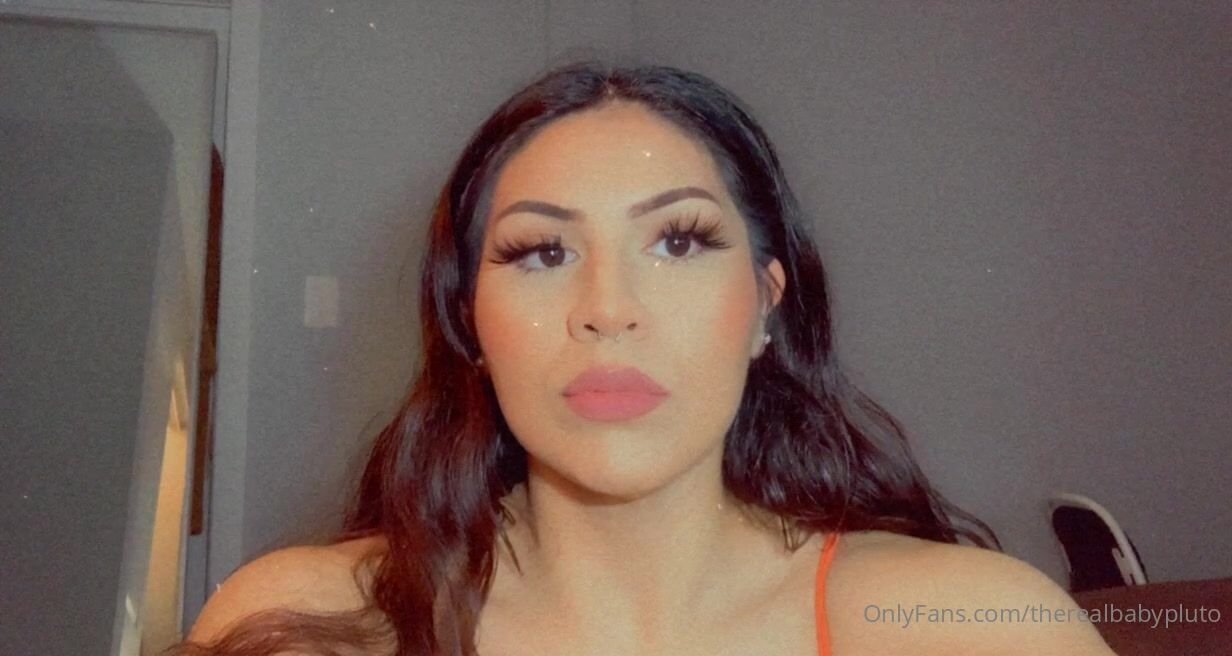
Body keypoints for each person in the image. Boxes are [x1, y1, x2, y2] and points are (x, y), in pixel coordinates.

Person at [174, 62, 1115, 655]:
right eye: (541, 252)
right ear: (469, 323)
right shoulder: (300, 627)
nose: (607, 309)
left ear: (766, 306)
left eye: (679, 242)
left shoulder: (984, 628)